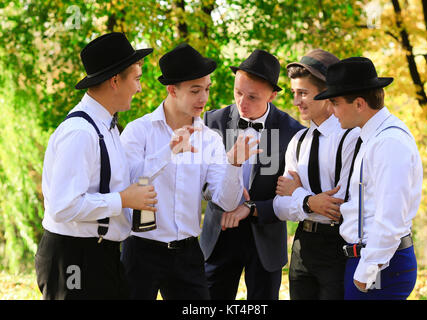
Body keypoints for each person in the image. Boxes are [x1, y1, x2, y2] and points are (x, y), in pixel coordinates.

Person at [120, 43, 258, 300]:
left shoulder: (210, 140)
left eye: (206, 89)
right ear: (172, 90)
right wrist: (167, 153)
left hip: (188, 254)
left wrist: (234, 164)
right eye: (195, 91)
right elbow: (126, 185)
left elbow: (226, 201)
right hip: (141, 250)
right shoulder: (138, 132)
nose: (204, 98)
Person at [35, 32, 156, 299]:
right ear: (115, 81)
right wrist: (122, 200)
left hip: (101, 256)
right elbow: (62, 206)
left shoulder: (108, 127)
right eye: (136, 79)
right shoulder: (80, 133)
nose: (139, 88)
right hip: (74, 258)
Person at [314, 57, 423, 300]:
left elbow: (391, 215)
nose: (331, 110)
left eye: (335, 102)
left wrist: (367, 271)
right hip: (369, 260)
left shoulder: (389, 142)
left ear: (360, 103)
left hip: (381, 265)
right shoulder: (372, 137)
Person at [200, 49, 304, 300]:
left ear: (273, 94)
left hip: (265, 238)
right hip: (219, 235)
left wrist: (251, 205)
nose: (242, 103)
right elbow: (201, 181)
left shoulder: (293, 132)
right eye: (238, 93)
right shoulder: (211, 122)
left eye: (253, 97)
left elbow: (291, 195)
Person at [272, 49, 361, 300]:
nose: (296, 101)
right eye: (293, 93)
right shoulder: (298, 141)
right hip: (301, 246)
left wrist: (298, 195)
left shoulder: (351, 137)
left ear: (326, 93)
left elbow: (337, 205)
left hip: (337, 246)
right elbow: (280, 206)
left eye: (303, 93)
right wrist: (311, 202)